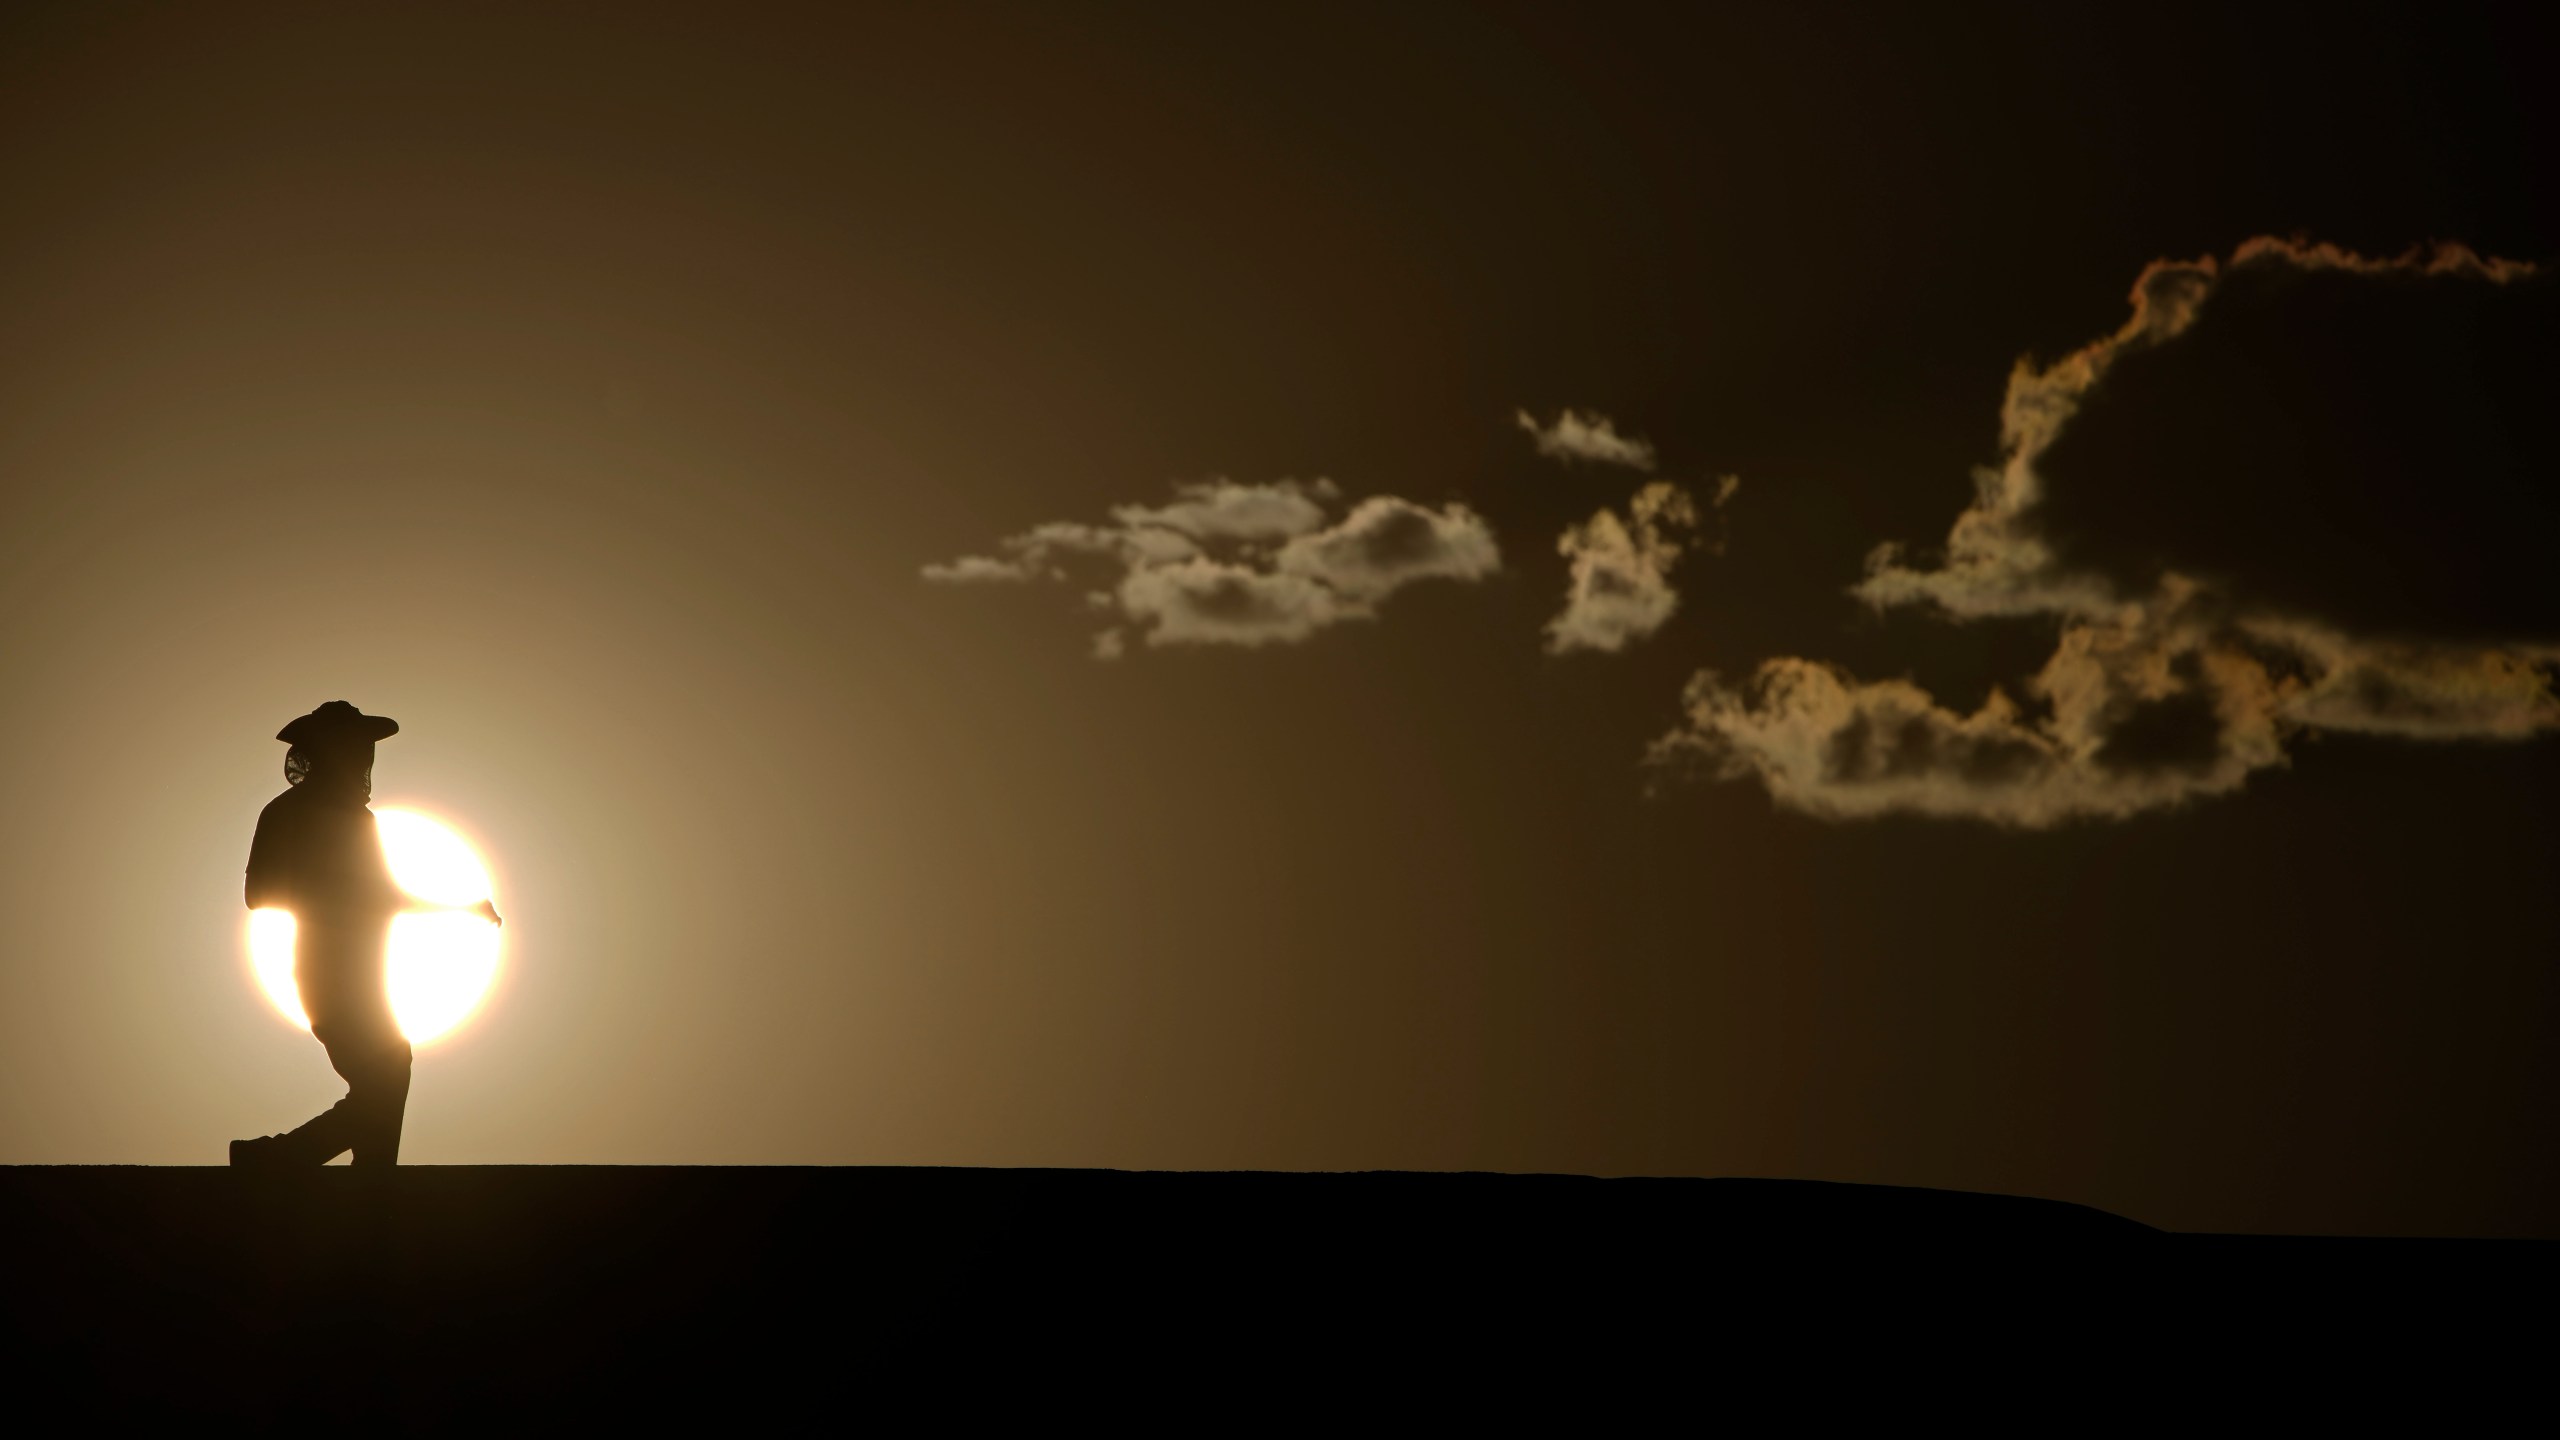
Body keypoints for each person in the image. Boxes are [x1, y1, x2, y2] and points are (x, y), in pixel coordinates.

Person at [230, 701, 499, 1168]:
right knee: (388, 1075)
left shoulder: (361, 821)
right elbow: (259, 893)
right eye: (353, 750)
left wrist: (460, 908)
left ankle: (365, 1180)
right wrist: (332, 892)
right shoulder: (285, 813)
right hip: (326, 973)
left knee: (389, 1075)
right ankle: (280, 1158)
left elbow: (386, 896)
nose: (362, 760)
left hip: (367, 974)